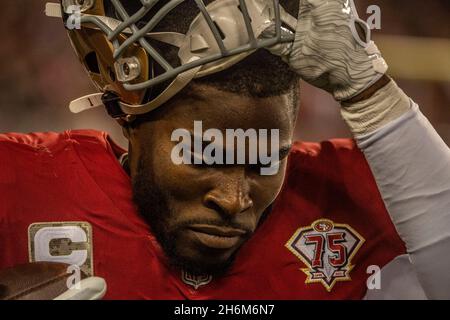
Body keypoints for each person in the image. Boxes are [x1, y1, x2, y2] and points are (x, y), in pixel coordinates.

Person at [0, 0, 449, 299]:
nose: (235, 199)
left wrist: (368, 90)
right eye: (203, 155)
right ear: (130, 121)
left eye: (265, 161)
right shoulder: (19, 180)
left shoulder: (352, 192)